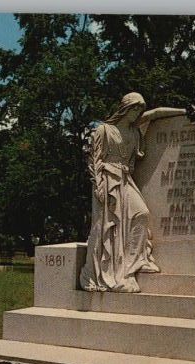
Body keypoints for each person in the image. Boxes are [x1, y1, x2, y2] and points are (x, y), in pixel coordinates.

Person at [79, 92, 184, 292]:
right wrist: (99, 186)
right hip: (107, 182)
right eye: (135, 108)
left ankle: (132, 264)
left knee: (141, 214)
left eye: (140, 109)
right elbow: (95, 159)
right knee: (104, 227)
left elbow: (156, 113)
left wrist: (186, 111)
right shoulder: (105, 129)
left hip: (125, 179)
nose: (138, 112)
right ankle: (99, 273)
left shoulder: (135, 131)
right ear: (125, 108)